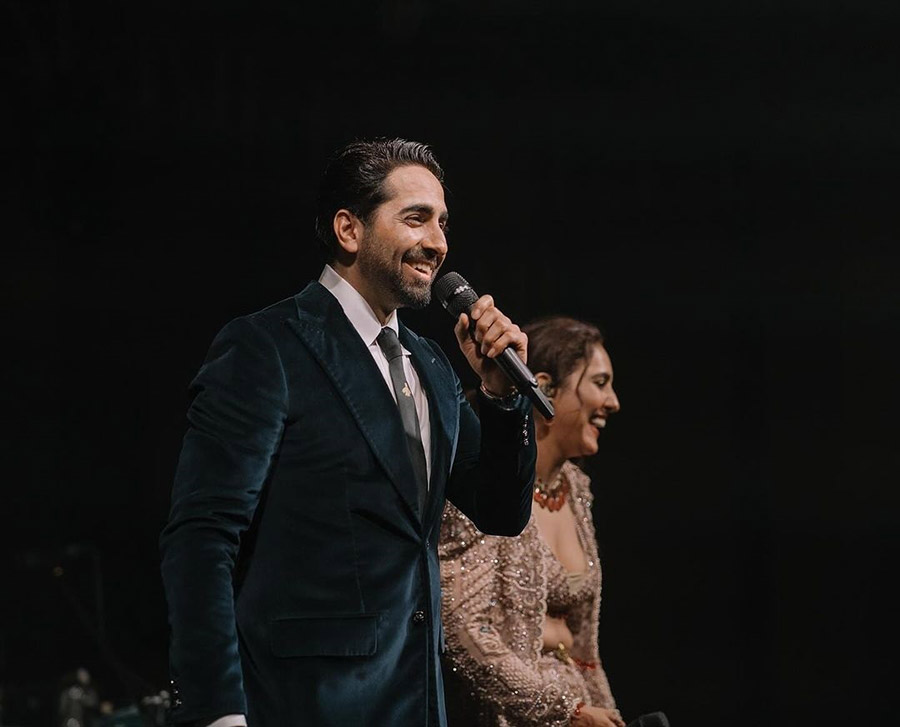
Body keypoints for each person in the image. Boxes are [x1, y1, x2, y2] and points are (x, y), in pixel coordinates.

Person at [158, 138, 537, 727]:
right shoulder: (268, 347)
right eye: (416, 218)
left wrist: (500, 397)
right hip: (302, 703)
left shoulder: (431, 363)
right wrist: (218, 711)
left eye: (442, 222)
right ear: (348, 230)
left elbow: (499, 512)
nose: (438, 243)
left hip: (416, 702)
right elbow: (202, 538)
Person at [438, 315, 625, 727]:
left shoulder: (575, 488)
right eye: (599, 382)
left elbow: (584, 652)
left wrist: (605, 713)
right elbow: (462, 629)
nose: (613, 401)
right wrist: (566, 712)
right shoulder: (486, 485)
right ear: (544, 388)